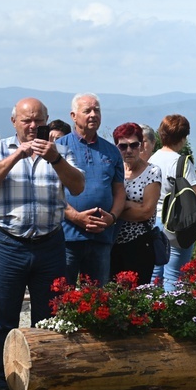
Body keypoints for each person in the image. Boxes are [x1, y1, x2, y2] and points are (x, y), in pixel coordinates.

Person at [0, 97, 84, 390]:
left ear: (47, 121)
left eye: (38, 120)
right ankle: (3, 380)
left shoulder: (60, 150)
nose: (33, 126)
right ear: (14, 122)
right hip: (9, 242)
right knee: (3, 316)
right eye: (26, 121)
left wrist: (56, 160)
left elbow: (78, 187)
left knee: (48, 317)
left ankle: (43, 381)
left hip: (50, 243)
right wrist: (17, 156)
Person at [55, 93, 125, 285]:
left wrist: (112, 218)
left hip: (101, 237)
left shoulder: (111, 151)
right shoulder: (58, 148)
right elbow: (50, 192)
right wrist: (77, 217)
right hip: (66, 237)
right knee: (60, 295)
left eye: (97, 110)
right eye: (87, 111)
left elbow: (119, 191)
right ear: (73, 116)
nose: (93, 114)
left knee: (96, 300)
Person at [150, 114, 196, 291]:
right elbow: (195, 197)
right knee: (174, 275)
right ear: (183, 137)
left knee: (154, 274)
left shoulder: (151, 160)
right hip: (175, 224)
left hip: (152, 221)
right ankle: (171, 314)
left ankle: (151, 313)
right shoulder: (181, 162)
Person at [109, 123, 161, 285]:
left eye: (134, 145)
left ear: (141, 145)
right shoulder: (112, 170)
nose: (129, 150)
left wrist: (116, 207)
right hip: (111, 243)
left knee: (137, 297)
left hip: (139, 244)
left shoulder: (152, 172)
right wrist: (128, 205)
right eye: (123, 146)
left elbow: (146, 211)